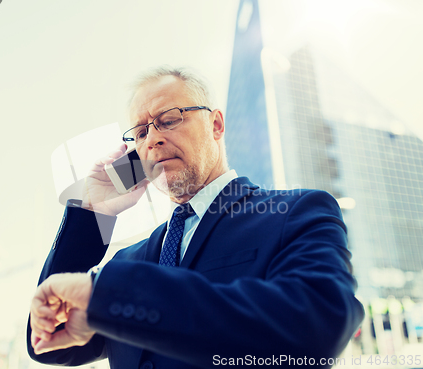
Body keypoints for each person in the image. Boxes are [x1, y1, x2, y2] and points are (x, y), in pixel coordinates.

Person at [27, 66, 364, 369]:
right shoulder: (125, 262)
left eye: (169, 119)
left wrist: (111, 294)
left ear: (215, 125)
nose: (153, 139)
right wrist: (92, 213)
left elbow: (317, 327)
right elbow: (48, 341)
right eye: (141, 132)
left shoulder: (295, 213)